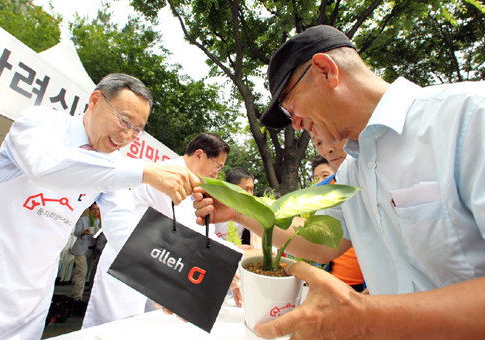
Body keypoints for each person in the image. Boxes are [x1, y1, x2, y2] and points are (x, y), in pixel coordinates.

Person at [194, 25, 485, 339]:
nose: (297, 125)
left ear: (325, 70)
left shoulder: (469, 117)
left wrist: (364, 318)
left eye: (291, 107)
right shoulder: (353, 169)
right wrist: (239, 212)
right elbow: (321, 244)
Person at [0, 73, 198, 340]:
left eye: (137, 130)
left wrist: (163, 283)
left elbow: (123, 230)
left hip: (30, 303)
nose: (126, 136)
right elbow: (45, 166)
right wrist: (145, 170)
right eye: (124, 121)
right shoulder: (41, 123)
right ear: (95, 100)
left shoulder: (111, 164)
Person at [82, 132, 232, 328]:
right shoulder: (165, 173)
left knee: (150, 327)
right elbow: (186, 231)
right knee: (113, 328)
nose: (217, 174)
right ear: (200, 155)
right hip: (129, 260)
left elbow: (203, 232)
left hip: (160, 265)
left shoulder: (196, 187)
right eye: (217, 166)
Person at [311, 141, 365, 292]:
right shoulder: (320, 197)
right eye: (317, 142)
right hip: (334, 284)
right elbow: (318, 245)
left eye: (325, 175)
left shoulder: (357, 180)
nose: (326, 149)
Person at [70, 202, 101, 301]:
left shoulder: (98, 222)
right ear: (90, 210)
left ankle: (77, 294)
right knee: (82, 273)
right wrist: (84, 232)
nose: (95, 211)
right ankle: (77, 297)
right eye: (94, 209)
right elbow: (76, 233)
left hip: (92, 250)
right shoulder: (83, 220)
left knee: (85, 273)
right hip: (81, 249)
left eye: (97, 209)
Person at [215, 167, 254, 243]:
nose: (250, 194)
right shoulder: (215, 207)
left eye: (252, 190)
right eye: (246, 189)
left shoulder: (249, 213)